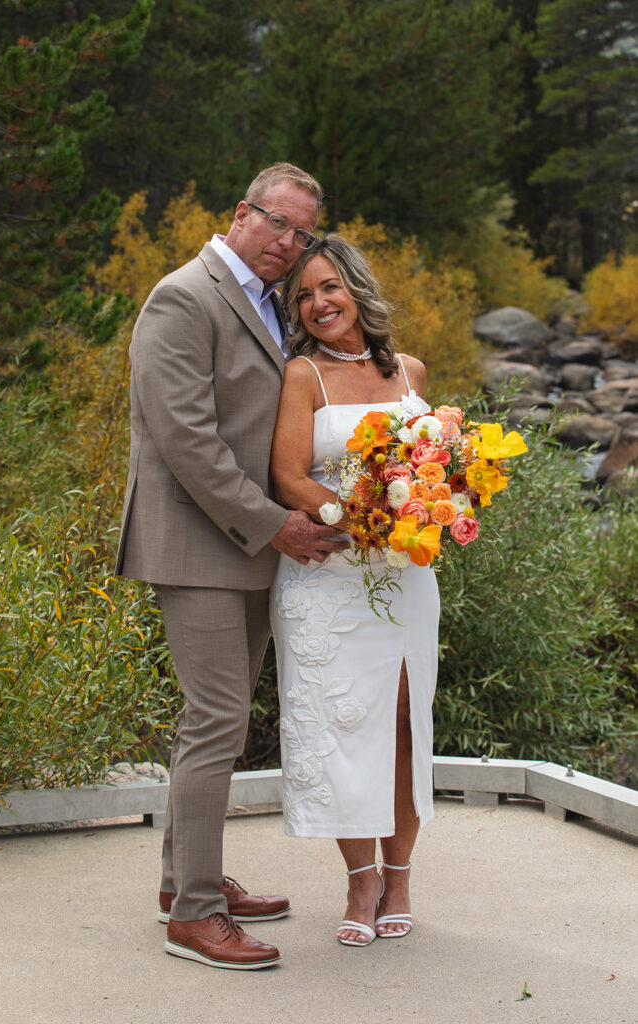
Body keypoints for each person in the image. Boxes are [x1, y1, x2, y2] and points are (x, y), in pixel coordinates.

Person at [115, 164, 346, 971]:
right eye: (276, 225)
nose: (288, 244)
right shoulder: (183, 295)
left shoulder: (261, 297)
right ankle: (196, 918)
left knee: (214, 722)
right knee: (216, 724)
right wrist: (272, 524)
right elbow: (186, 441)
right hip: (200, 542)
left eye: (301, 233)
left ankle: (188, 879)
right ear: (240, 214)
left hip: (243, 543)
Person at [270, 234, 440, 947]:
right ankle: (358, 881)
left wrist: (436, 503)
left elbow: (434, 461)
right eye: (303, 295)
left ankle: (398, 875)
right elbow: (289, 476)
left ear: (356, 289)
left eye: (328, 288)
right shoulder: (302, 375)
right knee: (339, 731)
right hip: (327, 577)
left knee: (401, 726)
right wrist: (356, 518)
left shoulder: (409, 372)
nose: (318, 304)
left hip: (403, 579)